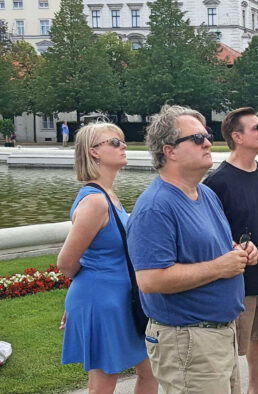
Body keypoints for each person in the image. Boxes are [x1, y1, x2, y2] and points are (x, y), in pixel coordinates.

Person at [126, 105, 258, 394]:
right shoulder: (155, 207)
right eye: (197, 139)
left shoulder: (206, 194)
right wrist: (220, 267)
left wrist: (240, 251)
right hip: (187, 341)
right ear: (170, 151)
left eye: (207, 136)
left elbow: (215, 248)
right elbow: (150, 280)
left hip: (219, 335)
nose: (209, 142)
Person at [57, 123, 158, 394]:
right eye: (115, 142)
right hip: (102, 302)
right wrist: (91, 288)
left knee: (151, 371)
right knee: (104, 383)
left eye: (122, 142)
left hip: (121, 298)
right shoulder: (95, 201)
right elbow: (65, 262)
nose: (123, 146)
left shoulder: (109, 195)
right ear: (94, 152)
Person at [204, 107, 258, 394]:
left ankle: (255, 391)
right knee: (230, 344)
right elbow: (208, 235)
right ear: (237, 137)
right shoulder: (217, 183)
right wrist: (235, 247)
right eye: (257, 128)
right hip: (237, 281)